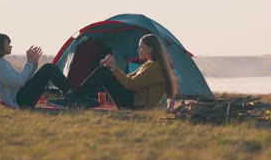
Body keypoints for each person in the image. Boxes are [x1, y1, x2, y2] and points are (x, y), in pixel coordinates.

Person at [48, 34, 177, 110]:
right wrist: (111, 67)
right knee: (105, 71)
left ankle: (73, 98)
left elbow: (130, 84)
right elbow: (127, 78)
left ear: (151, 48)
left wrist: (113, 67)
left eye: (141, 47)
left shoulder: (155, 67)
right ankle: (77, 98)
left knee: (103, 72)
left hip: (134, 105)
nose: (138, 50)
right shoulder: (149, 64)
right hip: (132, 101)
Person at [0, 32, 74, 108]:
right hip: (20, 100)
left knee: (52, 90)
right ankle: (72, 98)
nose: (11, 46)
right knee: (49, 68)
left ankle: (72, 95)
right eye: (8, 44)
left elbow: (22, 80)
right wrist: (29, 62)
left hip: (21, 96)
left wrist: (33, 63)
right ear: (0, 45)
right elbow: (20, 82)